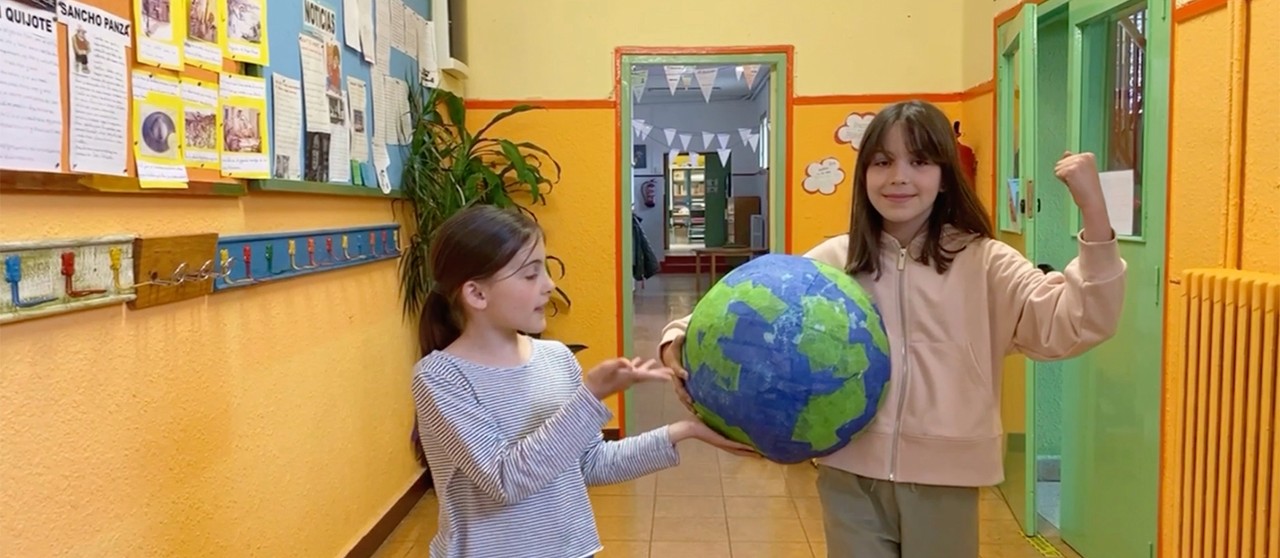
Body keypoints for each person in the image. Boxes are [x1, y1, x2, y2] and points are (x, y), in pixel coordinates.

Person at [658, 100, 1126, 558]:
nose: (899, 177)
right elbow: (743, 311)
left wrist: (1095, 217)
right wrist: (676, 340)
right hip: (848, 474)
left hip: (947, 479)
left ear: (945, 178)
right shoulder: (837, 261)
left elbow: (1078, 321)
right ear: (865, 176)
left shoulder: (987, 262)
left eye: (919, 161)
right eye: (882, 162)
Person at [411, 205, 753, 558]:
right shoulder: (440, 377)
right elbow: (506, 480)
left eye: (545, 268)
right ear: (476, 294)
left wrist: (685, 430)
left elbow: (591, 463)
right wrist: (591, 397)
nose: (549, 285)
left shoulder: (556, 357)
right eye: (530, 275)